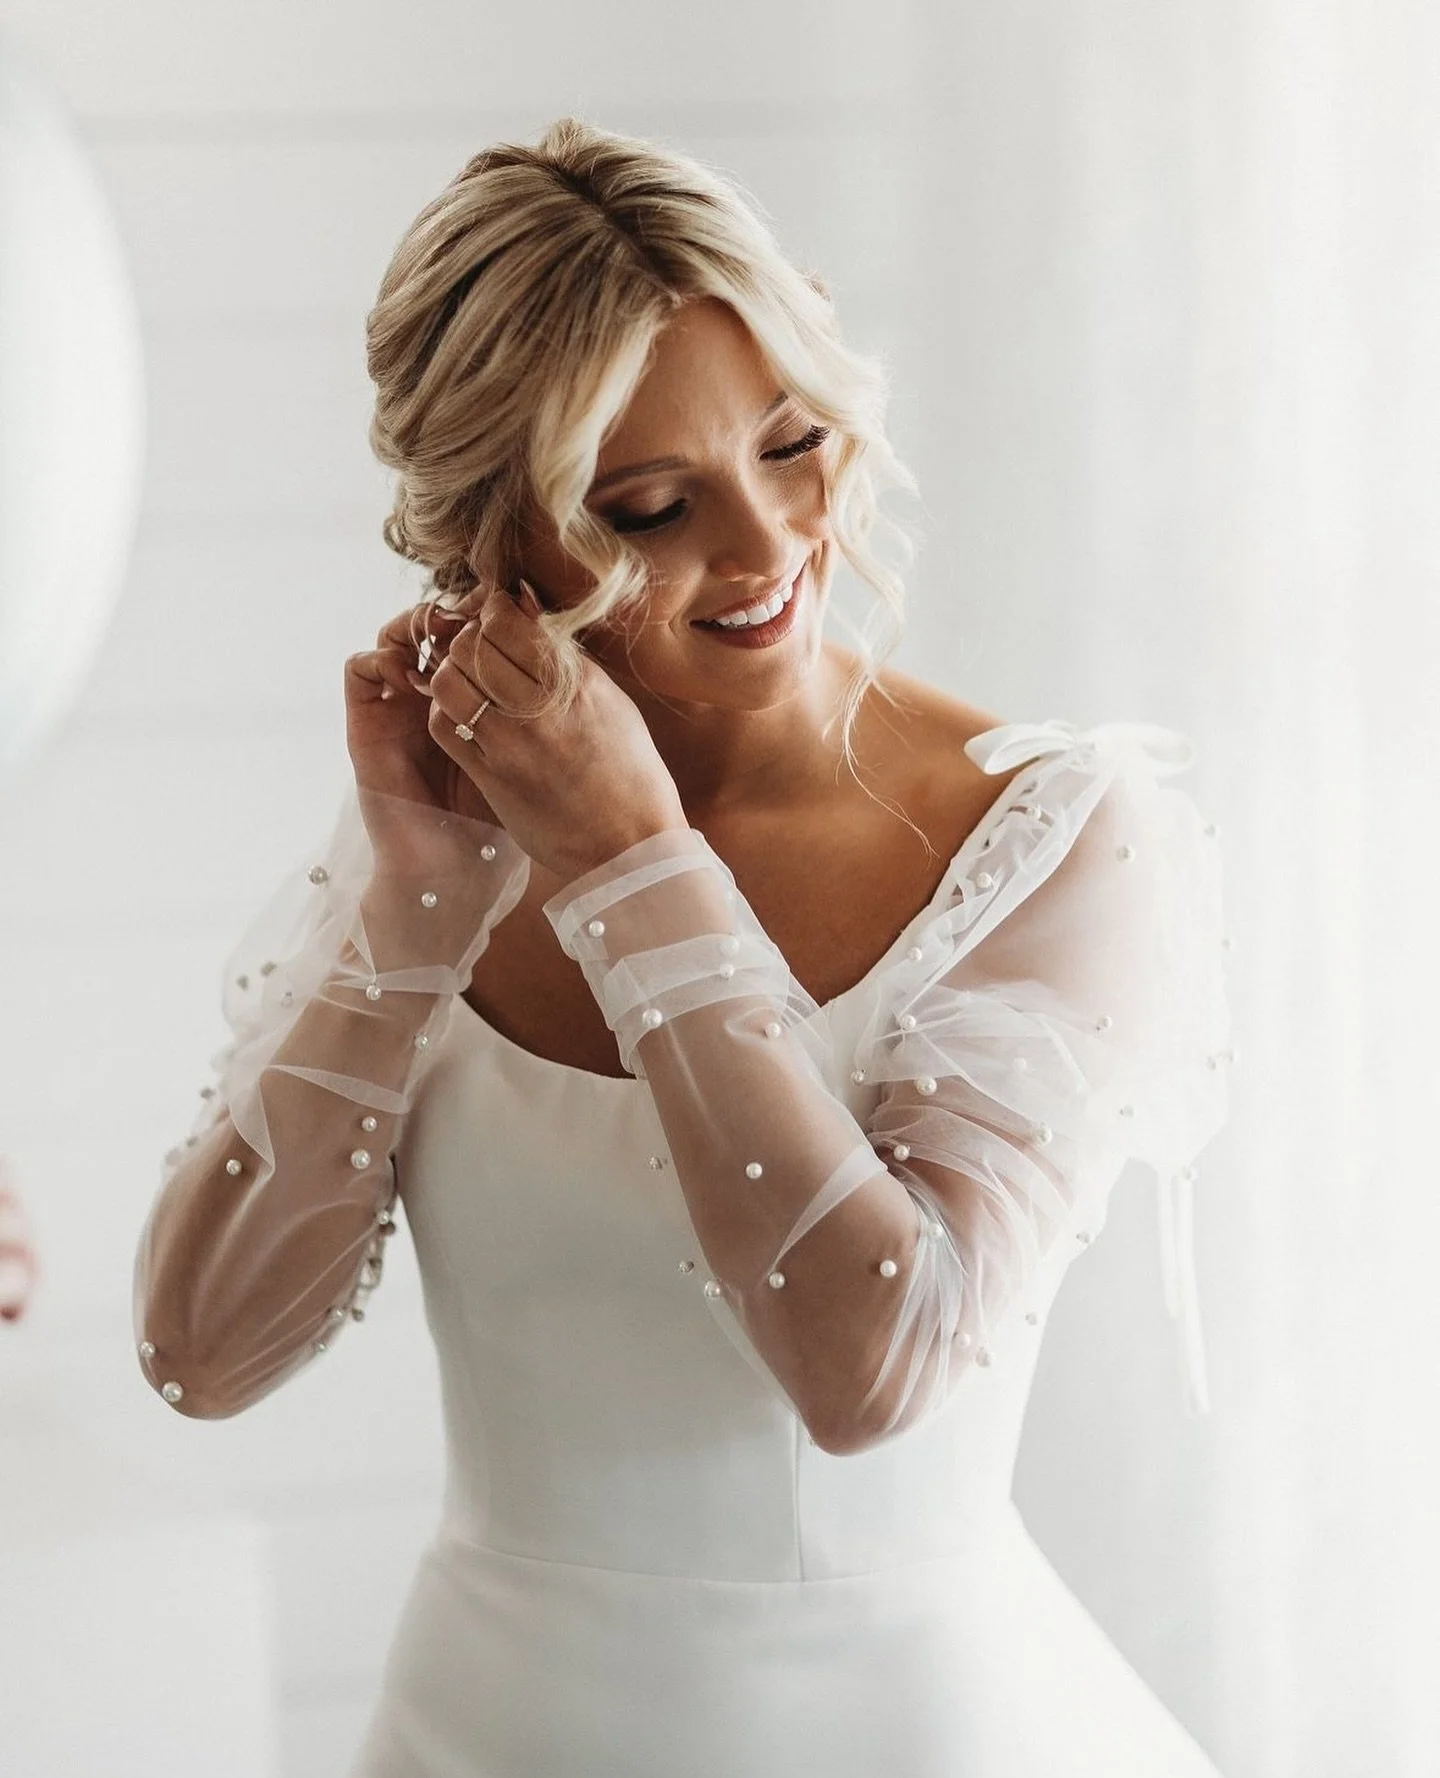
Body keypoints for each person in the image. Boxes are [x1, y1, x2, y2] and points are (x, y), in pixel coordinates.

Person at [133, 117, 1235, 1776]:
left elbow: (871, 1368)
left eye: (792, 443)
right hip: (485, 1730)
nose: (771, 546)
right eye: (649, 504)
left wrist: (631, 862)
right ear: (494, 539)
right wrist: (423, 900)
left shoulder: (1052, 838)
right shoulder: (437, 832)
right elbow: (199, 1353)